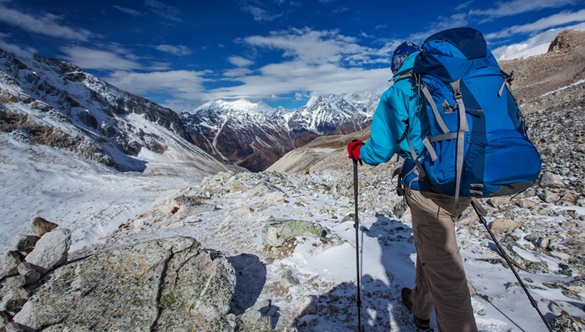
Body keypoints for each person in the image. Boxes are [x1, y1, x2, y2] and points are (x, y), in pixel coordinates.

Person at [347, 41, 478, 331]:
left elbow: (380, 150)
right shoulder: (451, 82)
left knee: (447, 274)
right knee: (431, 249)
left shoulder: (399, 91)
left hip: (427, 186)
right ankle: (420, 306)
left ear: (396, 67)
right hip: (463, 179)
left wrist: (358, 152)